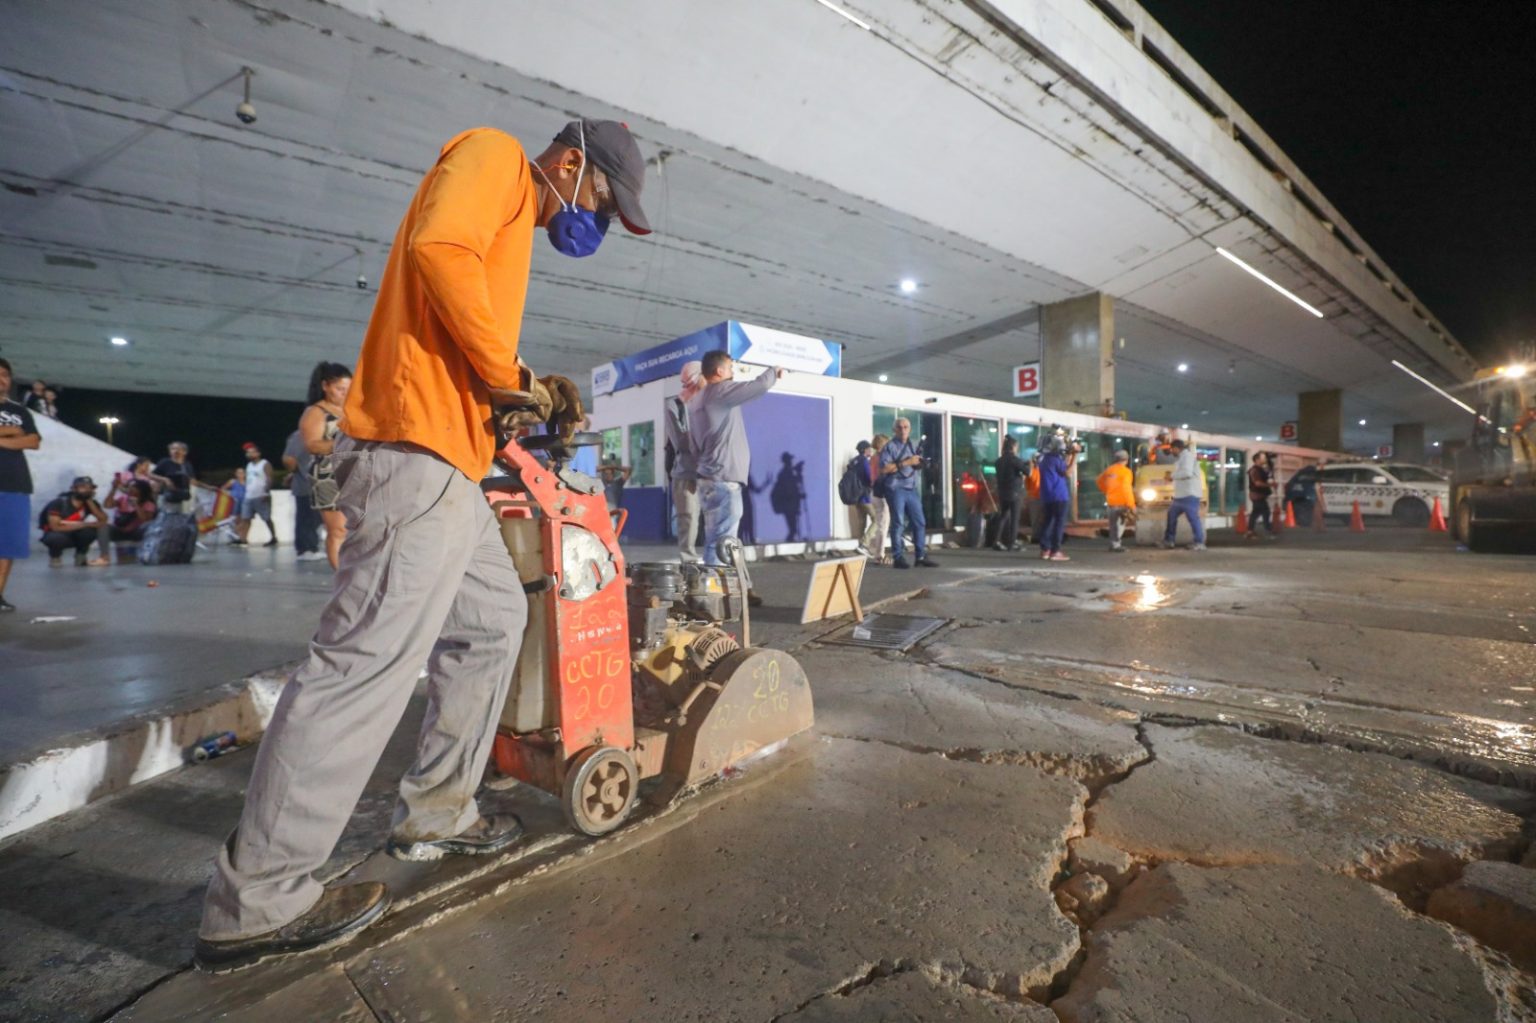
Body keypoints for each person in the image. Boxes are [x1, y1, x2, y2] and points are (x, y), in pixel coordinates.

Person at [195, 117, 650, 973]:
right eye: (598, 196)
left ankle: (438, 810)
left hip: (452, 468)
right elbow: (440, 251)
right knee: (360, 665)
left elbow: (462, 315)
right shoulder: (495, 158)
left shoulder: (515, 211)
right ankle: (254, 899)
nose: (592, 217)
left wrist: (521, 378)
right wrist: (509, 379)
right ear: (572, 161)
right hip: (412, 456)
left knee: (491, 625)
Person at [690, 350, 782, 604]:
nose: (733, 372)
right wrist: (774, 371)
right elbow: (759, 386)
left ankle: (742, 588)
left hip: (709, 478)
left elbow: (693, 446)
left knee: (727, 540)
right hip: (724, 480)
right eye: (730, 367)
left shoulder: (697, 401)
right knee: (720, 542)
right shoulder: (720, 392)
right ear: (719, 372)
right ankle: (712, 600)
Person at [299, 362, 353, 569]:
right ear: (326, 386)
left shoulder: (351, 410)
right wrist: (345, 444)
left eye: (349, 390)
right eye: (340, 389)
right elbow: (312, 445)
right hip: (328, 475)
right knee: (338, 530)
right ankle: (342, 577)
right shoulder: (316, 411)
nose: (345, 394)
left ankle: (352, 574)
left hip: (354, 473)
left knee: (354, 529)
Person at [0, 358, 42, 612]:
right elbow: (20, 436)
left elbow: (33, 441)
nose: (1, 379)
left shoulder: (20, 411)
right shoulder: (14, 422)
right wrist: (11, 432)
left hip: (15, 484)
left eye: (5, 374)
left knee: (7, 545)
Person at [879, 417, 938, 569]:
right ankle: (898, 557)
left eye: (906, 427)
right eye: (900, 427)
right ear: (894, 430)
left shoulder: (914, 444)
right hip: (895, 488)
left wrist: (921, 464)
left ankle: (920, 556)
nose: (903, 430)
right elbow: (884, 469)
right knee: (898, 523)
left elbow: (915, 463)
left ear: (910, 429)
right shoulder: (889, 447)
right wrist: (907, 462)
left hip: (911, 488)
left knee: (919, 522)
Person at [663, 362, 704, 562]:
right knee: (687, 517)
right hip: (686, 473)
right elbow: (680, 441)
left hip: (711, 472)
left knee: (714, 518)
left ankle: (714, 558)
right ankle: (688, 558)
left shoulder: (710, 402)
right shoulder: (675, 404)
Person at [40, 476, 112, 566]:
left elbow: (103, 519)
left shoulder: (90, 503)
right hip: (60, 534)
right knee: (55, 538)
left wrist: (89, 501)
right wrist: (85, 524)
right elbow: (55, 527)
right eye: (83, 487)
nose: (87, 490)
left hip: (76, 533)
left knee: (89, 532)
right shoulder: (59, 503)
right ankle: (55, 556)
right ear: (74, 489)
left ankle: (81, 555)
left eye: (90, 488)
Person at [283, 428, 324, 561]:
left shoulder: (313, 434)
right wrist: (299, 472)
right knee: (307, 517)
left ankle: (310, 547)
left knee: (314, 518)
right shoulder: (301, 435)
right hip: (306, 484)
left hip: (316, 484)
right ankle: (306, 549)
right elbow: (289, 459)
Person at [1035, 431, 1074, 561]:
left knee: (1047, 522)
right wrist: (1075, 457)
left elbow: (1061, 467)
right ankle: (1055, 551)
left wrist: (1068, 456)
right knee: (1059, 523)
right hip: (1059, 495)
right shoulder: (1056, 460)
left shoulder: (1044, 459)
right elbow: (1067, 473)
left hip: (1047, 495)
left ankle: (1045, 549)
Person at [1162, 438, 1207, 550]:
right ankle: (1169, 540)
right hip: (1181, 495)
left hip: (1189, 494)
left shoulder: (1187, 457)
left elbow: (1187, 473)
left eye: (1172, 449)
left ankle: (1199, 542)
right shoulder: (1181, 459)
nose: (1171, 451)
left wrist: (1171, 476)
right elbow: (1182, 473)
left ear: (1177, 448)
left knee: (1193, 518)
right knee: (1171, 516)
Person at [993, 436, 1029, 551]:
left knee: (1003, 516)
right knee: (1015, 518)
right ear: (1013, 447)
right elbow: (1028, 472)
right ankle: (1012, 542)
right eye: (1016, 446)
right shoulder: (1014, 460)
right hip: (1015, 493)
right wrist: (1030, 464)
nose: (1017, 449)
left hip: (1002, 493)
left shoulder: (999, 461)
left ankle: (996, 541)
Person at [844, 440, 880, 555]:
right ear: (865, 450)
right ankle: (864, 544)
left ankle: (860, 546)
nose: (871, 450)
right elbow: (870, 478)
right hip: (864, 496)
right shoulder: (864, 462)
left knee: (862, 521)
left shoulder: (853, 462)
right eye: (869, 449)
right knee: (877, 519)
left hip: (855, 496)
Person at [1097, 449, 1134, 553]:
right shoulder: (1126, 472)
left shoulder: (1109, 470)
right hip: (1122, 502)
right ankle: (1116, 545)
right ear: (1126, 460)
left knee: (1113, 525)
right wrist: (1131, 504)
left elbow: (1099, 481)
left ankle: (1113, 544)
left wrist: (1107, 491)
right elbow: (1126, 488)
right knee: (1120, 525)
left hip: (1111, 502)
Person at [770, 452, 806, 541]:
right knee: (793, 529)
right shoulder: (785, 474)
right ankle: (790, 544)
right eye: (790, 460)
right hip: (789, 505)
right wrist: (799, 495)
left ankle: (791, 542)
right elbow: (790, 490)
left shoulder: (786, 473)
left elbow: (795, 484)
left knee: (793, 529)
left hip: (790, 505)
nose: (791, 462)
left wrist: (799, 474)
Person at [151, 442, 199, 507]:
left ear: (185, 452)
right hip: (166, 498)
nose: (175, 451)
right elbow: (151, 475)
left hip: (182, 499)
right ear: (170, 451)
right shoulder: (165, 462)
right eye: (173, 449)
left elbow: (192, 481)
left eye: (178, 449)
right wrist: (165, 479)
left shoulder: (187, 465)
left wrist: (208, 487)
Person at [1246, 451, 1276, 539]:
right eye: (1263, 458)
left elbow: (1268, 475)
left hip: (1259, 494)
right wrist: (1270, 485)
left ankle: (1250, 531)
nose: (1265, 459)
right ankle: (1268, 530)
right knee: (1265, 512)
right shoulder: (1254, 470)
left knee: (1256, 513)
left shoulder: (1261, 469)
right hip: (1257, 494)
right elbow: (1257, 483)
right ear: (1257, 459)